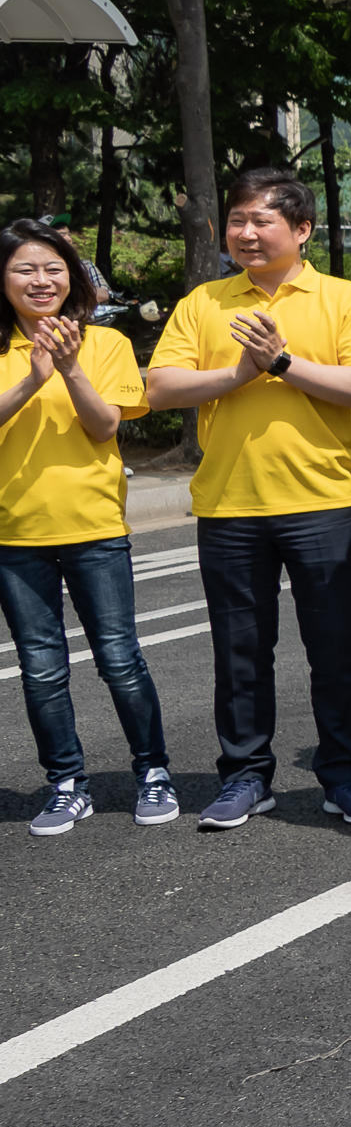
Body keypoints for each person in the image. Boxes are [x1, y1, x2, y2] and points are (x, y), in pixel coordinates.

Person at [147, 167, 351, 831]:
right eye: (237, 221)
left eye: (262, 220)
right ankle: (245, 777)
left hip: (321, 501)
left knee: (334, 651)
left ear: (302, 229)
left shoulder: (343, 298)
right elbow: (160, 388)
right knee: (240, 654)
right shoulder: (204, 303)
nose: (246, 233)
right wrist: (238, 373)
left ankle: (345, 777)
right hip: (229, 504)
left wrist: (283, 364)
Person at [0, 219, 169, 835]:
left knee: (120, 659)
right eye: (25, 269)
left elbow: (104, 427)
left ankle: (153, 772)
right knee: (42, 668)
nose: (41, 280)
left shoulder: (106, 344)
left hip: (94, 525)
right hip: (14, 533)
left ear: (71, 277)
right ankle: (67, 784)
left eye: (53, 268)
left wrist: (69, 369)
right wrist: (32, 379)